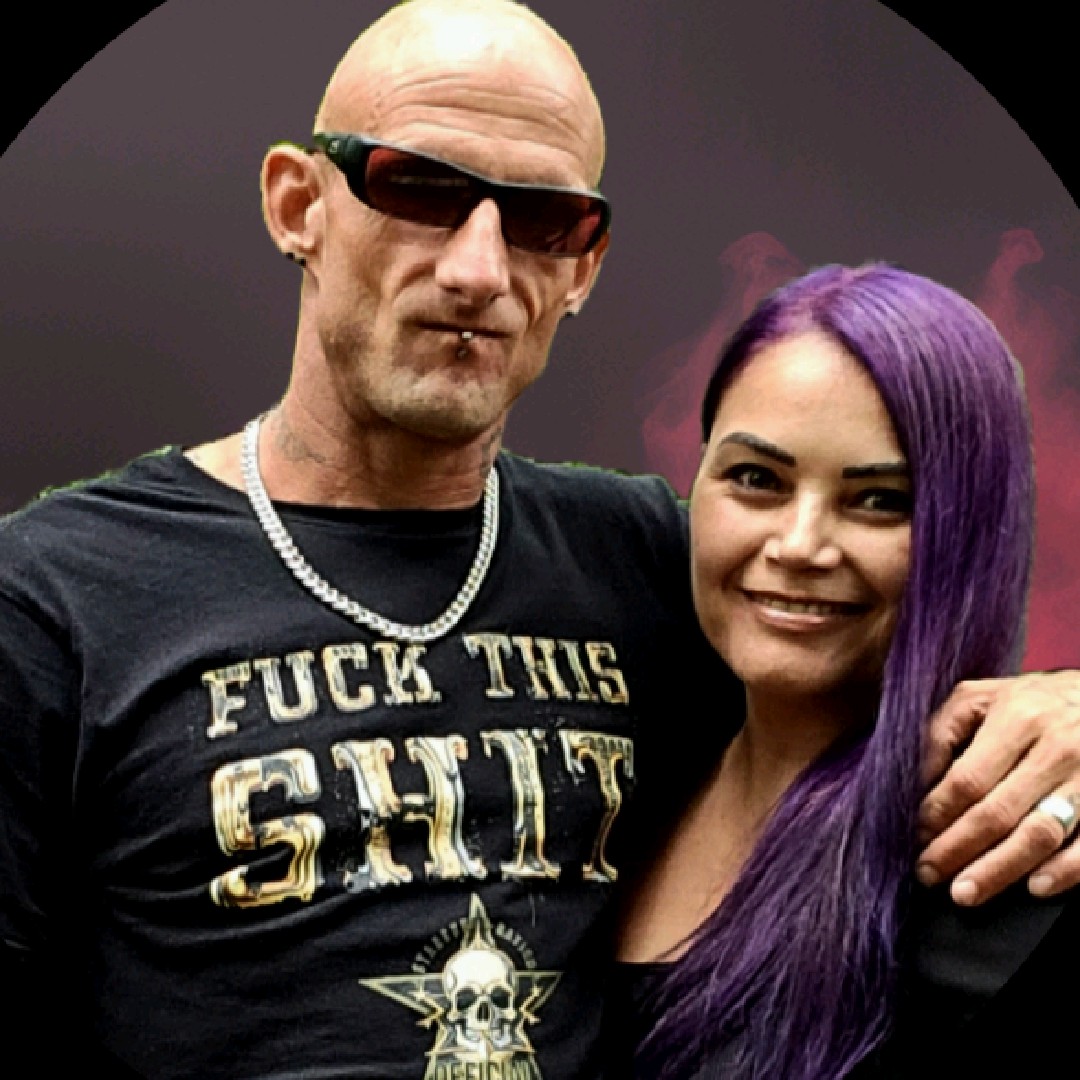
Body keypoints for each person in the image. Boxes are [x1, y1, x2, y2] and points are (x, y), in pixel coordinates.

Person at [0, 2, 1078, 1077]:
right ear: (298, 205)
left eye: (541, 218)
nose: (478, 269)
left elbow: (879, 676)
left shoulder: (649, 559)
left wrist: (1067, 708)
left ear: (584, 267)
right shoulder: (55, 597)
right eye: (421, 190)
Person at [610, 263, 1075, 1079]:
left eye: (879, 500)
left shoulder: (996, 854)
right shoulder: (627, 763)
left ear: (970, 531)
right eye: (757, 479)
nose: (799, 546)